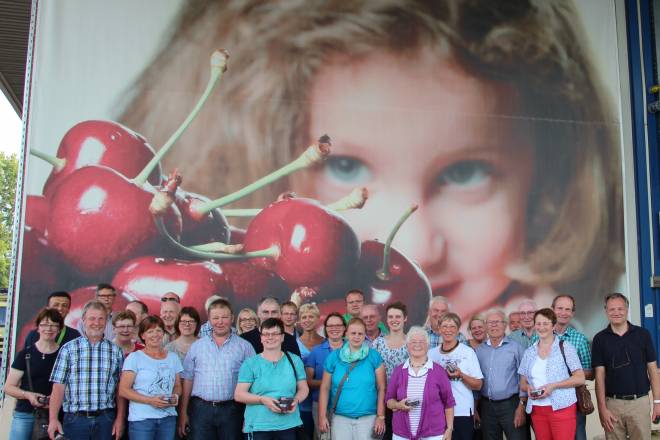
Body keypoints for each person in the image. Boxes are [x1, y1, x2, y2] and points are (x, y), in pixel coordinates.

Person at [122, 0, 623, 335]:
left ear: (545, 188)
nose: (417, 246)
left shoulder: (566, 325)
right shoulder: (228, 310)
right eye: (344, 165)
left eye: (467, 173)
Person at [48, 300, 126, 440]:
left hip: (106, 419)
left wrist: (120, 419)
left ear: (107, 321)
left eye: (101, 318)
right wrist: (53, 419)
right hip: (76, 420)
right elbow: (58, 387)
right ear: (83, 320)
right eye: (92, 318)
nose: (96, 323)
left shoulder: (116, 351)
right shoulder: (68, 349)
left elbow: (120, 389)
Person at [178, 298, 255, 439]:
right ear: (209, 319)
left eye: (224, 317)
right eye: (216, 318)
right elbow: (188, 380)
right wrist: (183, 413)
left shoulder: (245, 347)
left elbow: (253, 383)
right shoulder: (197, 346)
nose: (220, 322)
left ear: (232, 318)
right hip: (200, 410)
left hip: (232, 410)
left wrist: (249, 415)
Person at [592, 293, 660, 440]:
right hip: (613, 405)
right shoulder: (599, 339)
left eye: (620, 308)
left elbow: (653, 371)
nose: (616, 312)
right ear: (606, 311)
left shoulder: (643, 335)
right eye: (612, 309)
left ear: (627, 309)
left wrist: (657, 402)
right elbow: (599, 377)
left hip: (639, 404)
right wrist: (602, 409)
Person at [235, 318, 309, 439]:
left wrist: (296, 400)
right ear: (261, 338)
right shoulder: (250, 363)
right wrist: (262, 400)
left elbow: (303, 388)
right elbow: (239, 395)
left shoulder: (294, 360)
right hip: (259, 426)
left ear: (282, 337)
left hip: (288, 425)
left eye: (275, 334)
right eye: (266, 334)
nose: (270, 337)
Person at [518, 309, 585, 440]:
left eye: (545, 324)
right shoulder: (529, 352)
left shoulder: (566, 347)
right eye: (538, 324)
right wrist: (528, 388)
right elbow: (522, 382)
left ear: (553, 326)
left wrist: (554, 386)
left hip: (562, 408)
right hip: (537, 410)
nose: (541, 327)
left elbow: (580, 378)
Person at [318, 318, 386, 439]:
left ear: (365, 335)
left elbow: (381, 387)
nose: (356, 336)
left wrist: (381, 416)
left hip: (368, 418)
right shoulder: (334, 357)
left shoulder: (374, 356)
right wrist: (322, 416)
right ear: (346, 334)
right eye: (353, 333)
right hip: (339, 419)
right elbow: (325, 387)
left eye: (360, 333)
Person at [118, 315, 183, 440]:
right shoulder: (134, 358)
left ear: (163, 333)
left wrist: (174, 397)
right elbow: (124, 390)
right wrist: (150, 400)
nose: (155, 334)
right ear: (142, 335)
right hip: (142, 420)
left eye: (159, 330)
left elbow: (178, 386)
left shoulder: (173, 358)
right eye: (150, 331)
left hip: (167, 419)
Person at [386, 326, 456, 440]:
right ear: (407, 346)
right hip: (402, 434)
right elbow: (389, 400)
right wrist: (398, 405)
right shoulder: (398, 371)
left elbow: (449, 402)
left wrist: (449, 429)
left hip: (433, 434)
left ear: (428, 345)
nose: (417, 345)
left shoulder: (438, 371)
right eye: (413, 341)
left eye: (421, 342)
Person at [5, 308, 64, 440]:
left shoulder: (65, 354)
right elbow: (8, 387)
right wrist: (28, 395)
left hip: (55, 415)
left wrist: (54, 399)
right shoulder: (25, 354)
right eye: (44, 324)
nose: (49, 328)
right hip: (25, 414)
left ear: (59, 329)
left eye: (54, 325)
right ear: (38, 328)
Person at [542, 295, 593, 440]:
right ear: (552, 310)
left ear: (572, 313)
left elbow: (589, 372)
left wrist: (567, 375)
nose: (563, 313)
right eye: (560, 308)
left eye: (567, 309)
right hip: (546, 400)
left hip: (574, 401)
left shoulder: (580, 339)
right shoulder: (538, 337)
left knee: (578, 436)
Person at [429, 313, 483, 440]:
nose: (448, 330)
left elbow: (479, 385)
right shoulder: (431, 354)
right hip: (437, 411)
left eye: (452, 326)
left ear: (458, 329)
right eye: (445, 326)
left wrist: (461, 375)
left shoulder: (467, 352)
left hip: (462, 410)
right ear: (439, 328)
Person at [475, 309, 527, 440]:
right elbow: (476, 379)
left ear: (505, 325)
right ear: (485, 326)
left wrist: (521, 406)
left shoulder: (516, 348)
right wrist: (475, 407)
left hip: (511, 405)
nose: (493, 325)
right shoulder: (479, 351)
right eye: (490, 322)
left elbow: (525, 377)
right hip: (486, 407)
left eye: (497, 322)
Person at [305, 312, 346, 437]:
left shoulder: (353, 349)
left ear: (345, 328)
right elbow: (307, 381)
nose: (334, 328)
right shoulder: (316, 351)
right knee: (324, 437)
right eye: (330, 326)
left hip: (346, 404)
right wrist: (327, 383)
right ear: (325, 329)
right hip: (320, 405)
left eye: (338, 325)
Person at [373, 302, 409, 440]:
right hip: (381, 400)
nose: (394, 320)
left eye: (398, 316)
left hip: (404, 400)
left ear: (405, 318)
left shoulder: (412, 343)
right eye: (391, 317)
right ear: (386, 320)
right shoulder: (378, 343)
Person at [296, 303, 325, 438]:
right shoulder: (294, 343)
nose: (307, 320)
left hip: (322, 398)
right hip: (302, 401)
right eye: (304, 317)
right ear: (300, 321)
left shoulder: (326, 342)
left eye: (311, 316)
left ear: (318, 318)